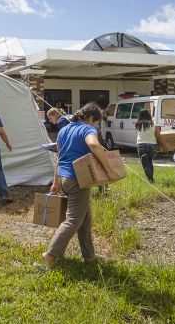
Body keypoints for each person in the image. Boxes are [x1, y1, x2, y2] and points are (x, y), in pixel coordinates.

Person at [42, 102, 121, 268]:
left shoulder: (64, 130)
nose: (96, 127)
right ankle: (50, 255)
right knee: (72, 221)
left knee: (84, 218)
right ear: (91, 119)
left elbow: (59, 156)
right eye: (97, 124)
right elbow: (93, 144)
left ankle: (89, 255)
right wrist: (110, 170)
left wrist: (55, 181)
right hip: (77, 180)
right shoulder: (87, 129)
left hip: (64, 178)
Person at [135, 109, 160, 183]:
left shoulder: (137, 124)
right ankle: (151, 179)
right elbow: (158, 135)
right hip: (152, 145)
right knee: (150, 162)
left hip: (141, 145)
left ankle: (151, 180)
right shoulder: (153, 123)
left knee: (145, 164)